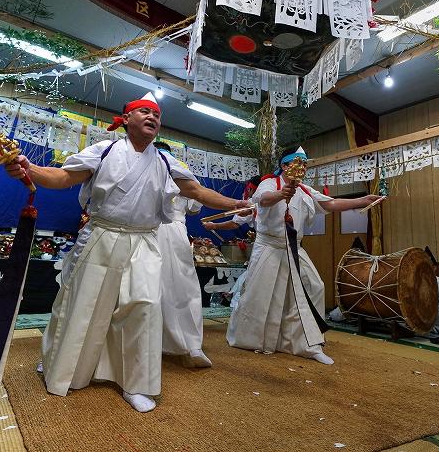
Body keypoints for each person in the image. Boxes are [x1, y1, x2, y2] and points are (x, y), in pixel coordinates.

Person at [5, 93, 248, 413]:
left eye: (157, 115)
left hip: (145, 243)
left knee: (144, 306)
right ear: (126, 118)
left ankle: (136, 383)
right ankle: (63, 366)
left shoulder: (164, 161)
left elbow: (196, 191)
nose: (152, 118)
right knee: (83, 303)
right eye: (145, 112)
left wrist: (235, 204)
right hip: (102, 235)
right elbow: (64, 177)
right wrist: (30, 169)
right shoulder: (103, 150)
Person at [226, 147, 384, 365]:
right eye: (298, 163)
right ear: (284, 166)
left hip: (294, 248)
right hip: (269, 246)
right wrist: (281, 194)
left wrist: (361, 200)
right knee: (262, 294)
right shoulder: (270, 182)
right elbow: (262, 199)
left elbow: (330, 203)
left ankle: (306, 343)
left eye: (305, 164)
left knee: (314, 286)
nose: (302, 168)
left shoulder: (305, 190)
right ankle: (256, 339)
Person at [153, 141, 211, 369]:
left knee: (182, 286)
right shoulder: (178, 169)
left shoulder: (181, 171)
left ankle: (191, 344)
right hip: (150, 228)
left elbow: (195, 203)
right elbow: (195, 208)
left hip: (168, 230)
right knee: (171, 287)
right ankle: (182, 343)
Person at [203, 176, 261, 310]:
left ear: (251, 188)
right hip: (269, 246)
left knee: (252, 278)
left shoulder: (252, 202)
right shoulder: (259, 202)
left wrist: (214, 226)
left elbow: (234, 223)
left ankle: (240, 305)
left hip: (267, 247)